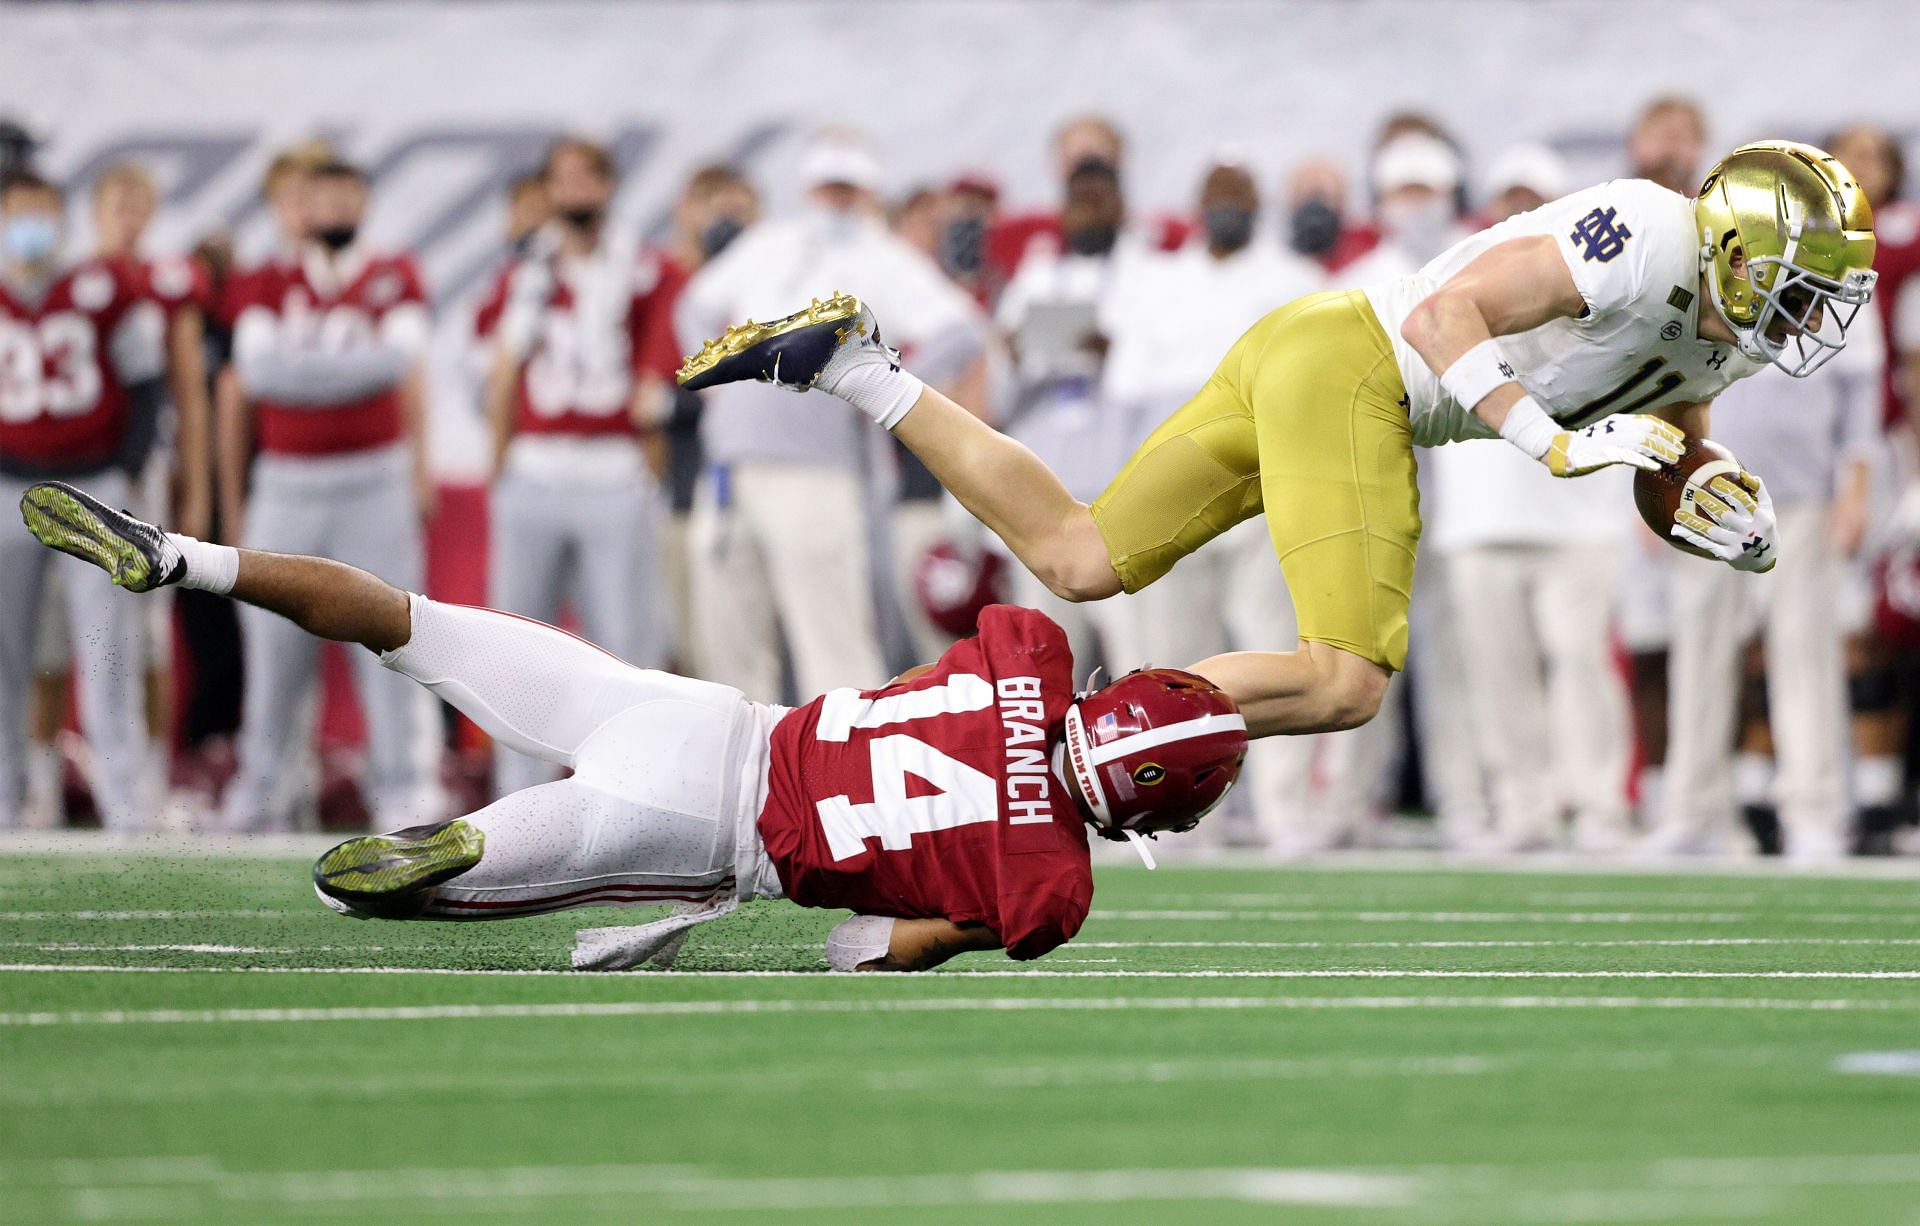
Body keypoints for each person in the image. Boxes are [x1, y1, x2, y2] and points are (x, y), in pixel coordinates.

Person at [677, 141, 1878, 745]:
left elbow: (1667, 445)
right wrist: (1547, 446)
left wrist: (1717, 501)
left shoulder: (1732, 329)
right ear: (1728, 242)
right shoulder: (1651, 235)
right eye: (1801, 280)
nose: (1812, 312)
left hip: (1315, 358)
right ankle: (1084, 741)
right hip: (1358, 362)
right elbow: (1439, 314)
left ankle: (853, 364)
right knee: (1345, 679)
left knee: (1083, 553)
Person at [18, 480, 1247, 972]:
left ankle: (185, 553)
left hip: (699, 715)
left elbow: (1006, 634)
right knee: (368, 897)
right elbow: (878, 947)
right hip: (707, 829)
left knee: (411, 617)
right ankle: (468, 845)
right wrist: (789, 940)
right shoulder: (1052, 892)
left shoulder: (1029, 657)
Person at [674, 128, 983, 702]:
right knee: (728, 648)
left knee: (833, 644)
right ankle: (741, 784)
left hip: (817, 470)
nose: (836, 200)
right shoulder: (769, 243)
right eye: (827, 187)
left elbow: (962, 330)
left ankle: (842, 774)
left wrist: (881, 389)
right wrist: (714, 387)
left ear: (868, 193)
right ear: (808, 188)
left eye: (848, 188)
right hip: (728, 466)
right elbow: (694, 304)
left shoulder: (883, 257)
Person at [1095, 160, 1320, 843]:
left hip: (1262, 490)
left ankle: (1286, 813)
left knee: (1275, 653)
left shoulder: (1296, 282)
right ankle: (1189, 818)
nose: (1228, 208)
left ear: (1260, 205)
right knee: (1173, 664)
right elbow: (1125, 399)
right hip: (1171, 495)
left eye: (1240, 198)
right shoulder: (1158, 284)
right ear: (1197, 205)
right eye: (1218, 198)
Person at [219, 157, 440, 831]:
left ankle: (400, 788)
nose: (336, 210)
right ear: (299, 207)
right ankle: (264, 790)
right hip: (286, 480)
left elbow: (396, 362)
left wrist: (302, 372)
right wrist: (350, 371)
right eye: (322, 198)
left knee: (392, 638)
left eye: (349, 196)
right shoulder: (265, 277)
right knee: (272, 646)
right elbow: (257, 373)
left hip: (373, 477)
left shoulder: (392, 271)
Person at [477, 136, 682, 795]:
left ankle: (634, 786)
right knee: (516, 643)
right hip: (536, 468)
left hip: (612, 469)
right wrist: (500, 466)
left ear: (607, 186)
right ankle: (519, 793)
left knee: (624, 644)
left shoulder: (647, 267)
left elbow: (657, 386)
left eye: (585, 179)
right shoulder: (526, 271)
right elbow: (501, 374)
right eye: (561, 180)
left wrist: (645, 473)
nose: (574, 193)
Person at [1653, 314, 1884, 860]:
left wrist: (1854, 492)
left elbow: (1861, 395)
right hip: (1706, 491)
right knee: (1698, 653)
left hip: (1802, 495)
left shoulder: (1837, 270)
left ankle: (1814, 811)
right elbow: (1667, 374)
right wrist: (1660, 479)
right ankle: (1693, 811)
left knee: (1804, 654)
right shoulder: (1714, 252)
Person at [0, 171, 165, 829]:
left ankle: (127, 806)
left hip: (92, 482)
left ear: (63, 219)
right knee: (5, 655)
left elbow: (148, 388)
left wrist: (125, 473)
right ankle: (7, 807)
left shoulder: (103, 289)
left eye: (43, 210)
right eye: (20, 211)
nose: (31, 224)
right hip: (8, 483)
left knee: (109, 648)